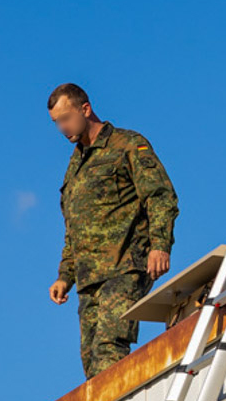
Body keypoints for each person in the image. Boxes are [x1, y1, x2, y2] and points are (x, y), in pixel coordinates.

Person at [46, 83, 179, 378]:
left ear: (85, 108)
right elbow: (75, 227)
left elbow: (159, 195)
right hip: (88, 279)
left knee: (109, 347)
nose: (62, 128)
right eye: (57, 123)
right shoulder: (76, 165)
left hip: (125, 267)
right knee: (92, 362)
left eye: (66, 118)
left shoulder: (127, 145)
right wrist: (64, 275)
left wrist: (160, 244)